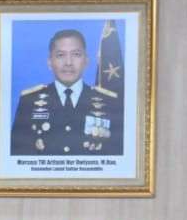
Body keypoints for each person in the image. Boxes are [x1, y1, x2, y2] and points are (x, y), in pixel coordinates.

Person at [9, 29, 123, 157]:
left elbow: (118, 156)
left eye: (76, 54)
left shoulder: (109, 102)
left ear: (86, 61)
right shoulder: (29, 101)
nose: (68, 63)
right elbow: (16, 155)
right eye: (60, 55)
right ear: (49, 62)